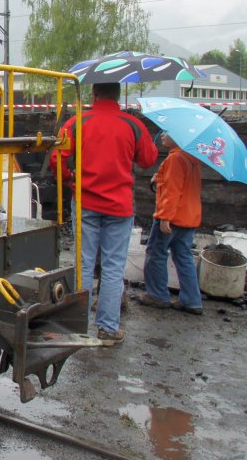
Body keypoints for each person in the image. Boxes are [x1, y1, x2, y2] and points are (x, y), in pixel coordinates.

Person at [51, 82, 158, 345]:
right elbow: (147, 159)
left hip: (85, 202)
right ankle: (108, 329)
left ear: (94, 94)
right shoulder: (133, 125)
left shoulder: (77, 123)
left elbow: (57, 158)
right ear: (118, 95)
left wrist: (68, 179)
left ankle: (78, 327)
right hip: (119, 207)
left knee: (84, 263)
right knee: (112, 266)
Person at [133, 132, 203, 315]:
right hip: (189, 217)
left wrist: (165, 217)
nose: (162, 135)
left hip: (172, 218)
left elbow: (172, 191)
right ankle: (192, 300)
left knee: (156, 253)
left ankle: (157, 295)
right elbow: (181, 186)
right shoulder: (191, 159)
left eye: (167, 132)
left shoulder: (175, 159)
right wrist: (160, 179)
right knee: (184, 257)